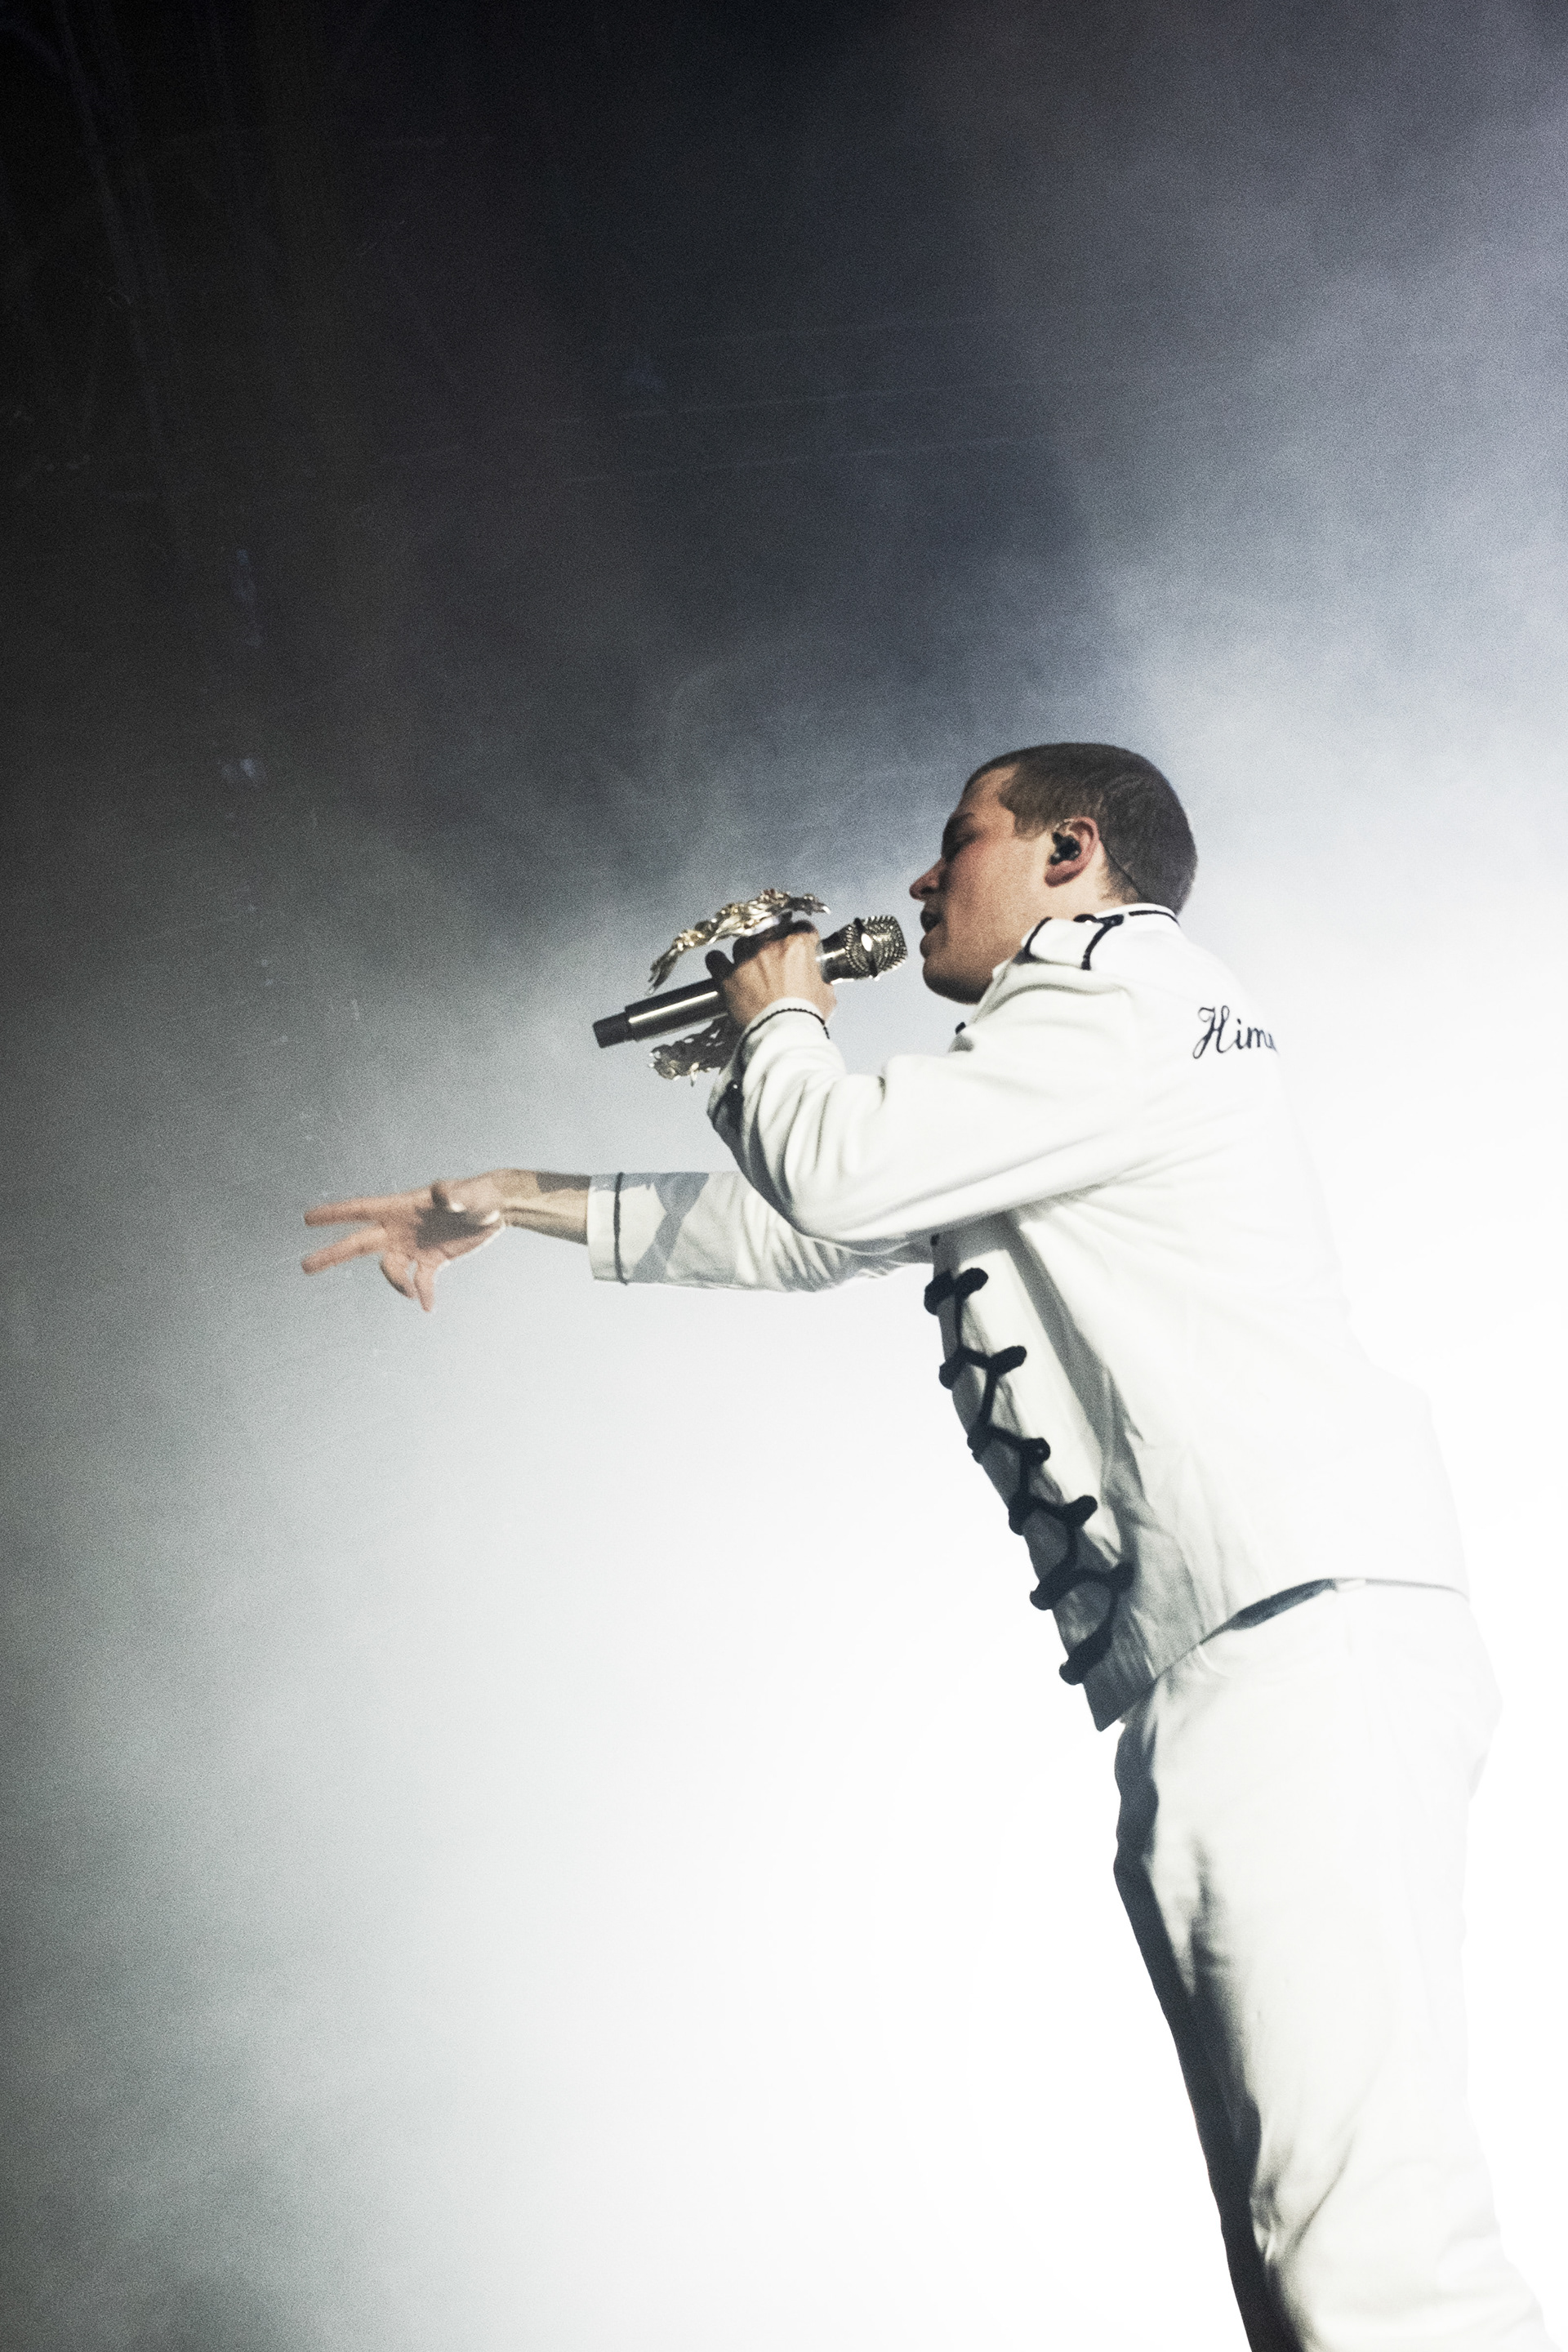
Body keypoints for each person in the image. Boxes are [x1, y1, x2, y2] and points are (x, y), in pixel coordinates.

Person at [302, 742, 1553, 2352]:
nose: (914, 882)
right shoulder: (1066, 1060)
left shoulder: (1118, 997)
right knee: (1309, 2263)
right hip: (1244, 1653)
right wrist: (510, 1196)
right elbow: (803, 1221)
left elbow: (832, 1160)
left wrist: (781, 1013)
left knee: (1371, 2257)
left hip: (1293, 1640)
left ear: (1069, 853)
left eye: (957, 839)